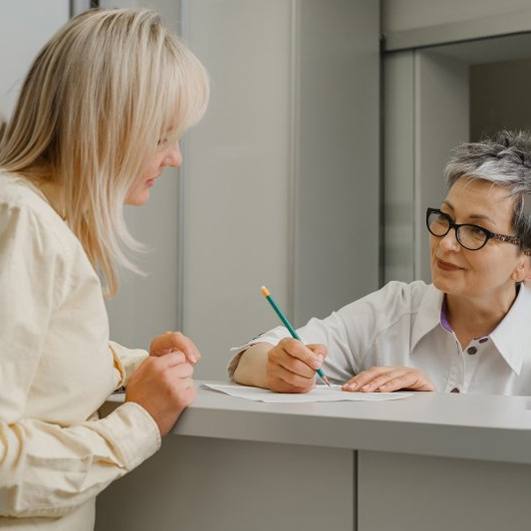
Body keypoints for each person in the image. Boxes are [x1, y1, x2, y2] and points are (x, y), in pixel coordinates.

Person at [0, 8, 208, 530]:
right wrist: (139, 423)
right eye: (163, 136)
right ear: (109, 130)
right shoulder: (22, 224)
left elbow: (35, 362)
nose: (175, 158)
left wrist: (132, 366)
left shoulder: (34, 219)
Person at [231, 131, 531, 396]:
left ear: (525, 262)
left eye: (477, 230)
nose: (446, 243)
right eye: (445, 218)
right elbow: (249, 359)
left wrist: (432, 405)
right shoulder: (395, 308)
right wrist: (278, 368)